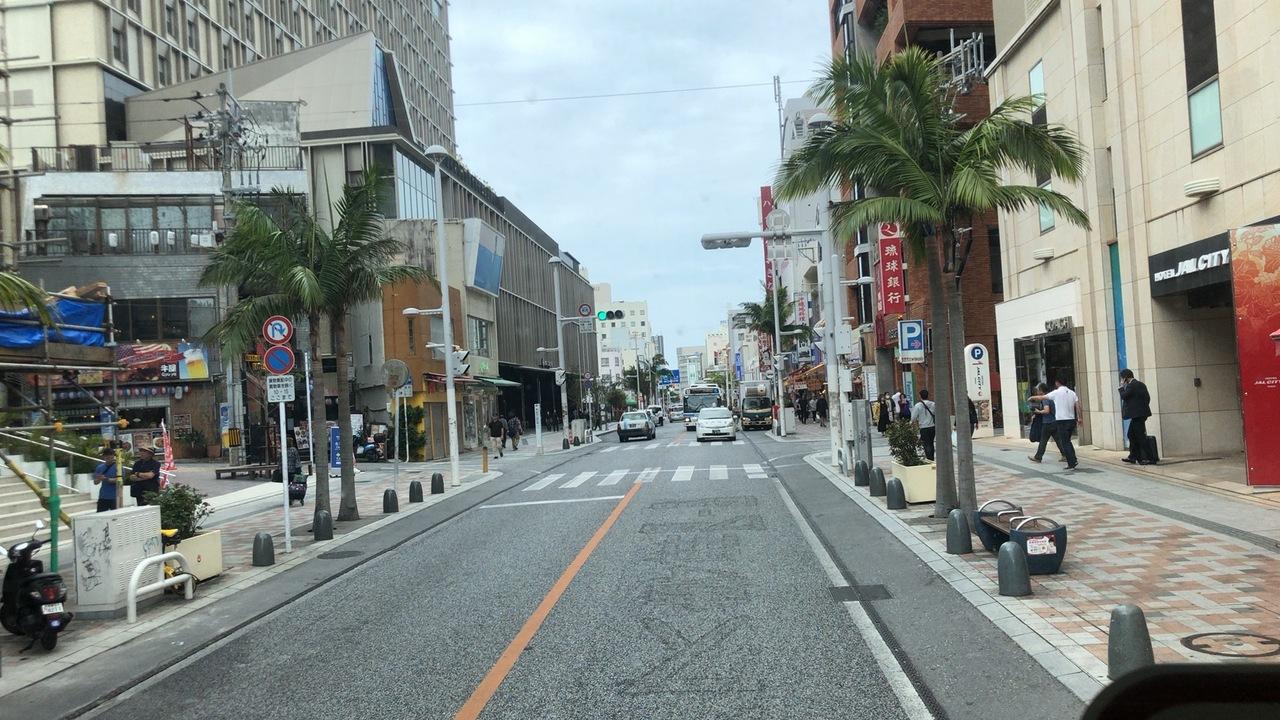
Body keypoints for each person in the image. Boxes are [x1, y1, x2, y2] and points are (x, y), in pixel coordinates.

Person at [1031, 378, 1081, 471]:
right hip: (1070, 420)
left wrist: (1032, 398)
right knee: (1065, 441)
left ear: (1057, 383)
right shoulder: (1072, 393)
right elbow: (1077, 405)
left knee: (1063, 442)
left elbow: (1044, 404)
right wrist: (1079, 418)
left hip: (1059, 421)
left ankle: (1071, 462)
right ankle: (1070, 459)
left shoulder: (1055, 393)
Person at [1118, 369, 1153, 465]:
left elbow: (1124, 396)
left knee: (1140, 436)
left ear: (1125, 378)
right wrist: (1142, 409)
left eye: (1122, 378)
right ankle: (1133, 456)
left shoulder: (1131, 385)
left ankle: (1149, 458)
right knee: (1131, 435)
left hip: (1137, 416)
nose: (1121, 380)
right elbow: (1148, 398)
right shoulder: (1141, 384)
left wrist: (1121, 387)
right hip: (1141, 414)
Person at [1027, 382, 1057, 464]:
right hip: (1054, 422)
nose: (1037, 392)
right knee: (1058, 440)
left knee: (1043, 441)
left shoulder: (1045, 399)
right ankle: (1065, 455)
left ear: (1041, 390)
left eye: (1038, 390)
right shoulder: (1049, 397)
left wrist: (1038, 412)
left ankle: (1038, 457)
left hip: (1048, 423)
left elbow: (1046, 411)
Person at [911, 389, 937, 461]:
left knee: (926, 444)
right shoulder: (933, 404)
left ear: (920, 396)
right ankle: (931, 458)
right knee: (931, 443)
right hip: (932, 427)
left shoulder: (918, 405)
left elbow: (913, 418)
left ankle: (929, 459)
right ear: (928, 396)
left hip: (923, 427)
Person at [93, 448, 120, 513]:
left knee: (115, 516)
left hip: (115, 497)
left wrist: (106, 479)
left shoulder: (118, 467)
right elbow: (95, 482)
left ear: (113, 456)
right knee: (100, 515)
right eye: (106, 455)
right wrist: (99, 478)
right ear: (104, 456)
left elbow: (119, 481)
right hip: (103, 496)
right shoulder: (99, 467)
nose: (108, 457)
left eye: (110, 455)